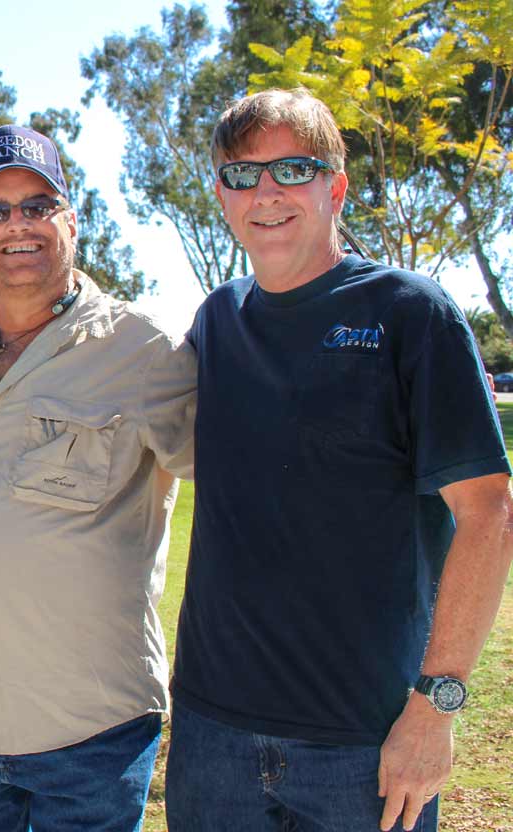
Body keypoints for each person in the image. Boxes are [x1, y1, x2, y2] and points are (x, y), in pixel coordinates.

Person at [167, 88, 513, 832]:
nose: (266, 193)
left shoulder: (411, 313)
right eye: (241, 175)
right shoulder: (215, 321)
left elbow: (489, 513)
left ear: (336, 186)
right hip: (212, 736)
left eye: (292, 168)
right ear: (222, 197)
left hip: (368, 741)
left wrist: (437, 706)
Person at [0, 125, 196, 831]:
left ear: (71, 219)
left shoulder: (147, 352)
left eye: (38, 205)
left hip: (91, 737)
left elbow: (251, 495)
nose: (18, 227)